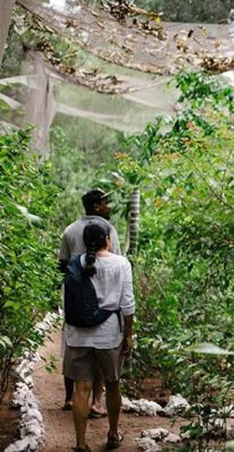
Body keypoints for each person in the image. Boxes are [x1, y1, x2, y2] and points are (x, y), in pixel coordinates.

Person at [64, 222, 135, 452]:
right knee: (112, 384)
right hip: (109, 336)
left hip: (78, 336)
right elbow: (127, 304)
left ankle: (80, 443)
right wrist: (128, 335)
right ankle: (113, 433)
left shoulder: (76, 264)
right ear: (107, 239)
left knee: (81, 388)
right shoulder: (121, 263)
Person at [59, 189, 122, 417]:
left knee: (73, 348)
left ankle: (69, 398)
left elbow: (62, 265)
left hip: (74, 301)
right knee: (100, 354)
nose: (109, 206)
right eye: (106, 202)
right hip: (102, 301)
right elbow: (116, 260)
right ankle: (96, 402)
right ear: (96, 206)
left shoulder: (69, 230)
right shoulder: (109, 230)